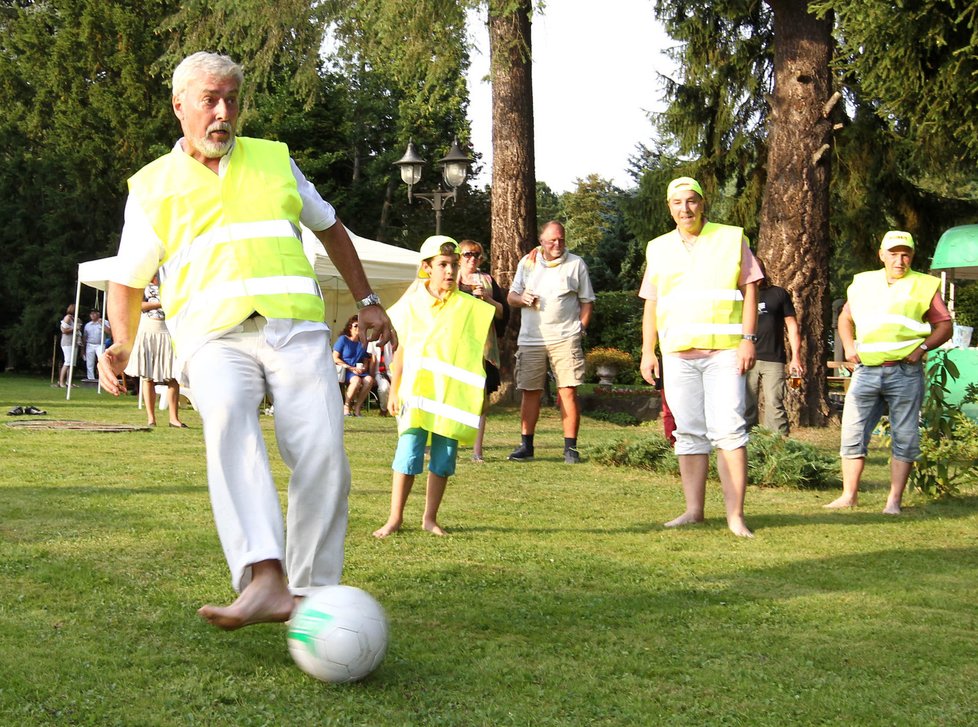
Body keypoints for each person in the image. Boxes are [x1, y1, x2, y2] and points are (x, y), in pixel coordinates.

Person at [97, 51, 395, 630]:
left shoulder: (276, 160)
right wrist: (122, 342)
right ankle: (264, 577)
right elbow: (127, 279)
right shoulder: (152, 185)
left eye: (232, 99)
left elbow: (330, 225)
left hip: (296, 330)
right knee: (231, 419)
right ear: (180, 105)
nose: (223, 112)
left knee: (324, 452)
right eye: (210, 99)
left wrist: (367, 300)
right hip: (212, 337)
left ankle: (310, 594)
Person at [638, 177, 761, 538]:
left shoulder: (731, 238)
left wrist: (748, 339)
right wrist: (648, 351)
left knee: (730, 431)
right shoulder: (657, 248)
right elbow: (652, 303)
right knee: (688, 432)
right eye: (677, 203)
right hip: (678, 354)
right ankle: (694, 511)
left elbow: (749, 290)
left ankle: (735, 516)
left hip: (724, 352)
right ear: (669, 207)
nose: (685, 209)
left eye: (691, 201)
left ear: (702, 203)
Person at [373, 236, 494, 538]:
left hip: (450, 397)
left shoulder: (469, 308)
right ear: (427, 267)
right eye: (443, 265)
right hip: (416, 392)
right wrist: (396, 388)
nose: (450, 271)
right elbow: (400, 350)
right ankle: (395, 518)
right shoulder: (411, 305)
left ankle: (430, 518)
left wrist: (474, 393)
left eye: (453, 265)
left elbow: (473, 354)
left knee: (443, 458)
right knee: (408, 453)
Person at [825, 230, 952, 514]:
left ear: (912, 257)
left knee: (905, 435)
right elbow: (845, 317)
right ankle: (849, 495)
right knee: (852, 432)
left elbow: (944, 325)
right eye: (893, 253)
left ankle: (893, 501)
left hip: (905, 371)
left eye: (905, 254)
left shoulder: (924, 284)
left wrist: (921, 350)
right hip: (866, 370)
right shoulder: (862, 282)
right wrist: (847, 346)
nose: (900, 259)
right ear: (881, 255)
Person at [506, 221, 595, 464]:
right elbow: (511, 297)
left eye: (561, 240)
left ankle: (570, 448)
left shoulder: (576, 264)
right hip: (531, 339)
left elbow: (587, 301)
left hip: (565, 338)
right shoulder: (528, 262)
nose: (557, 244)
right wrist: (522, 297)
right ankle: (526, 446)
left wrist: (580, 329)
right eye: (552, 240)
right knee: (530, 391)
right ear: (541, 242)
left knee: (567, 391)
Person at [456, 238, 509, 461]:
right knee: (454, 397)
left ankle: (477, 451)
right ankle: (450, 446)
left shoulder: (487, 281)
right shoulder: (451, 279)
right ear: (459, 257)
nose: (473, 259)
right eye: (468, 254)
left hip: (482, 348)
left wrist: (486, 298)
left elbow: (503, 313)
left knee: (482, 400)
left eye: (477, 255)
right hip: (455, 346)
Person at [744, 257, 803, 436]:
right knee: (746, 405)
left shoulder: (778, 294)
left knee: (775, 404)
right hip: (747, 358)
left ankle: (777, 447)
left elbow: (792, 326)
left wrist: (795, 357)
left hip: (773, 359)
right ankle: (747, 447)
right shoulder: (740, 295)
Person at [123, 277, 187, 427]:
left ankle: (174, 419)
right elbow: (138, 305)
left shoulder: (171, 283)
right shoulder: (142, 285)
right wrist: (161, 304)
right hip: (148, 329)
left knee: (172, 376)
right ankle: (151, 418)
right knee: (148, 376)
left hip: (169, 329)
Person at [333, 315, 374, 417]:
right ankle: (346, 406)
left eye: (361, 326)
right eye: (356, 326)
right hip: (346, 370)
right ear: (350, 327)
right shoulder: (343, 340)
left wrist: (364, 367)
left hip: (358, 370)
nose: (358, 328)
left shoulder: (363, 343)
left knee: (369, 380)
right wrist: (350, 368)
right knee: (356, 381)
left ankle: (357, 407)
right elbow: (335, 358)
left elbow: (365, 360)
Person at [367, 339, 393, 415]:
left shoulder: (392, 338)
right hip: (379, 371)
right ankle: (384, 410)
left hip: (393, 370)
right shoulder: (372, 341)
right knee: (384, 388)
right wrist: (372, 376)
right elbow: (373, 359)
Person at [83, 309, 109, 381]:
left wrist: (102, 324)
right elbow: (85, 337)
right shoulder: (87, 325)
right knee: (89, 363)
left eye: (94, 313)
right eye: (91, 314)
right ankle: (91, 378)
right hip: (90, 344)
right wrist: (83, 349)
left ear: (98, 314)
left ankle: (103, 377)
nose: (92, 315)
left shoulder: (104, 322)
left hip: (100, 344)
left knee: (102, 361)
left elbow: (109, 332)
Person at [58, 304, 77, 387]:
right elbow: (63, 330)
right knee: (68, 361)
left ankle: (68, 382)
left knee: (71, 363)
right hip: (67, 342)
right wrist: (74, 328)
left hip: (73, 342)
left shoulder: (74, 318)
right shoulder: (68, 317)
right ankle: (61, 381)